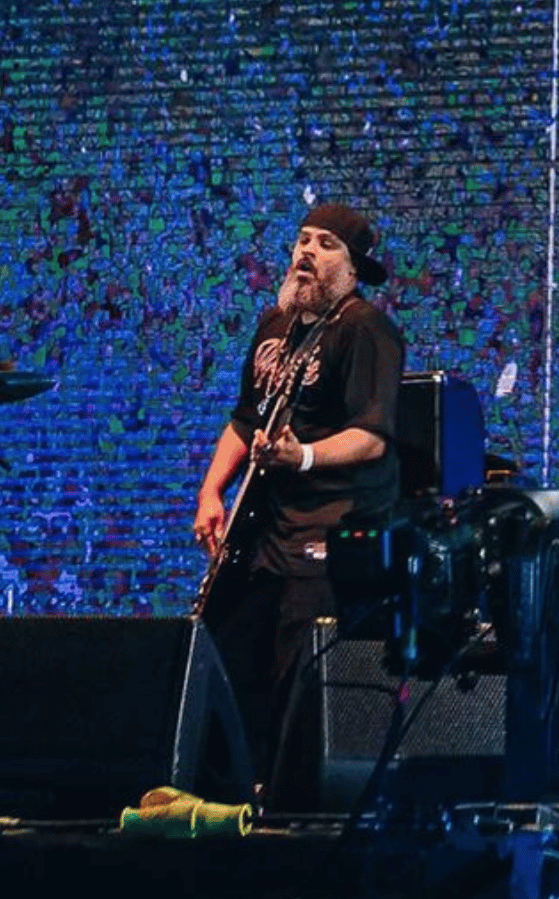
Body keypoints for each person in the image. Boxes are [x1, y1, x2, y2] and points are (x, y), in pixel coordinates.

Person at [192, 203, 405, 803]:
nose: (307, 252)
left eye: (327, 244)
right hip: (263, 533)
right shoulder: (274, 326)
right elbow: (244, 419)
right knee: (224, 656)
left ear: (353, 266)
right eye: (303, 240)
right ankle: (224, 796)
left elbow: (371, 434)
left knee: (301, 678)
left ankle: (290, 811)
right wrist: (212, 490)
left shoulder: (366, 329)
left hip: (330, 528)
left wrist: (303, 456)